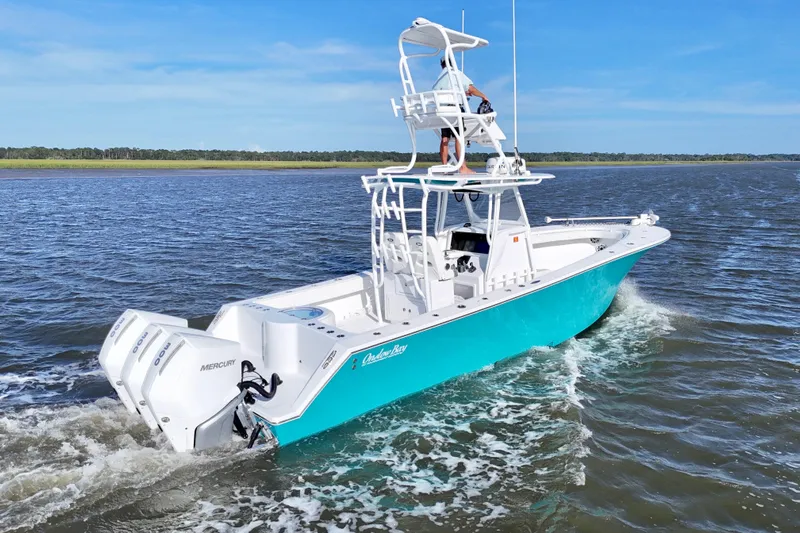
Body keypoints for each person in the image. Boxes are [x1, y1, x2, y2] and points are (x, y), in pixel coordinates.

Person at [432, 56, 489, 174]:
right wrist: (483, 96)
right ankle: (462, 167)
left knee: (444, 139)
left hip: (443, 111)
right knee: (459, 137)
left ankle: (444, 168)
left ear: (442, 65)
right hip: (455, 109)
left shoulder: (439, 78)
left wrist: (461, 92)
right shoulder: (456, 74)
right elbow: (471, 88)